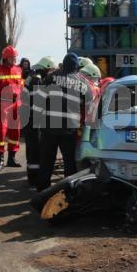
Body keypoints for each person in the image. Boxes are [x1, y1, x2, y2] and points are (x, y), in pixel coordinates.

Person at [33, 53, 94, 190]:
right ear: (76, 67)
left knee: (47, 160)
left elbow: (38, 100)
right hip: (69, 129)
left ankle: (42, 189)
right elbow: (90, 107)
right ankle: (68, 191)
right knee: (69, 162)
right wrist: (87, 126)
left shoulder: (51, 77)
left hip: (48, 127)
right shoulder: (83, 82)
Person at [0, 45, 23, 171]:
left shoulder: (19, 70)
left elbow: (21, 88)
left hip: (16, 106)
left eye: (15, 57)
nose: (14, 59)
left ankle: (11, 159)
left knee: (15, 132)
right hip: (3, 105)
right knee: (1, 133)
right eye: (12, 57)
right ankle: (0, 160)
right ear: (5, 57)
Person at [22, 56, 56, 186]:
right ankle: (34, 178)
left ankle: (32, 175)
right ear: (46, 68)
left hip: (28, 115)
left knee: (31, 147)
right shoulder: (37, 79)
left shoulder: (31, 75)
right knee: (35, 148)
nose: (51, 72)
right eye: (50, 70)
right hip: (33, 117)